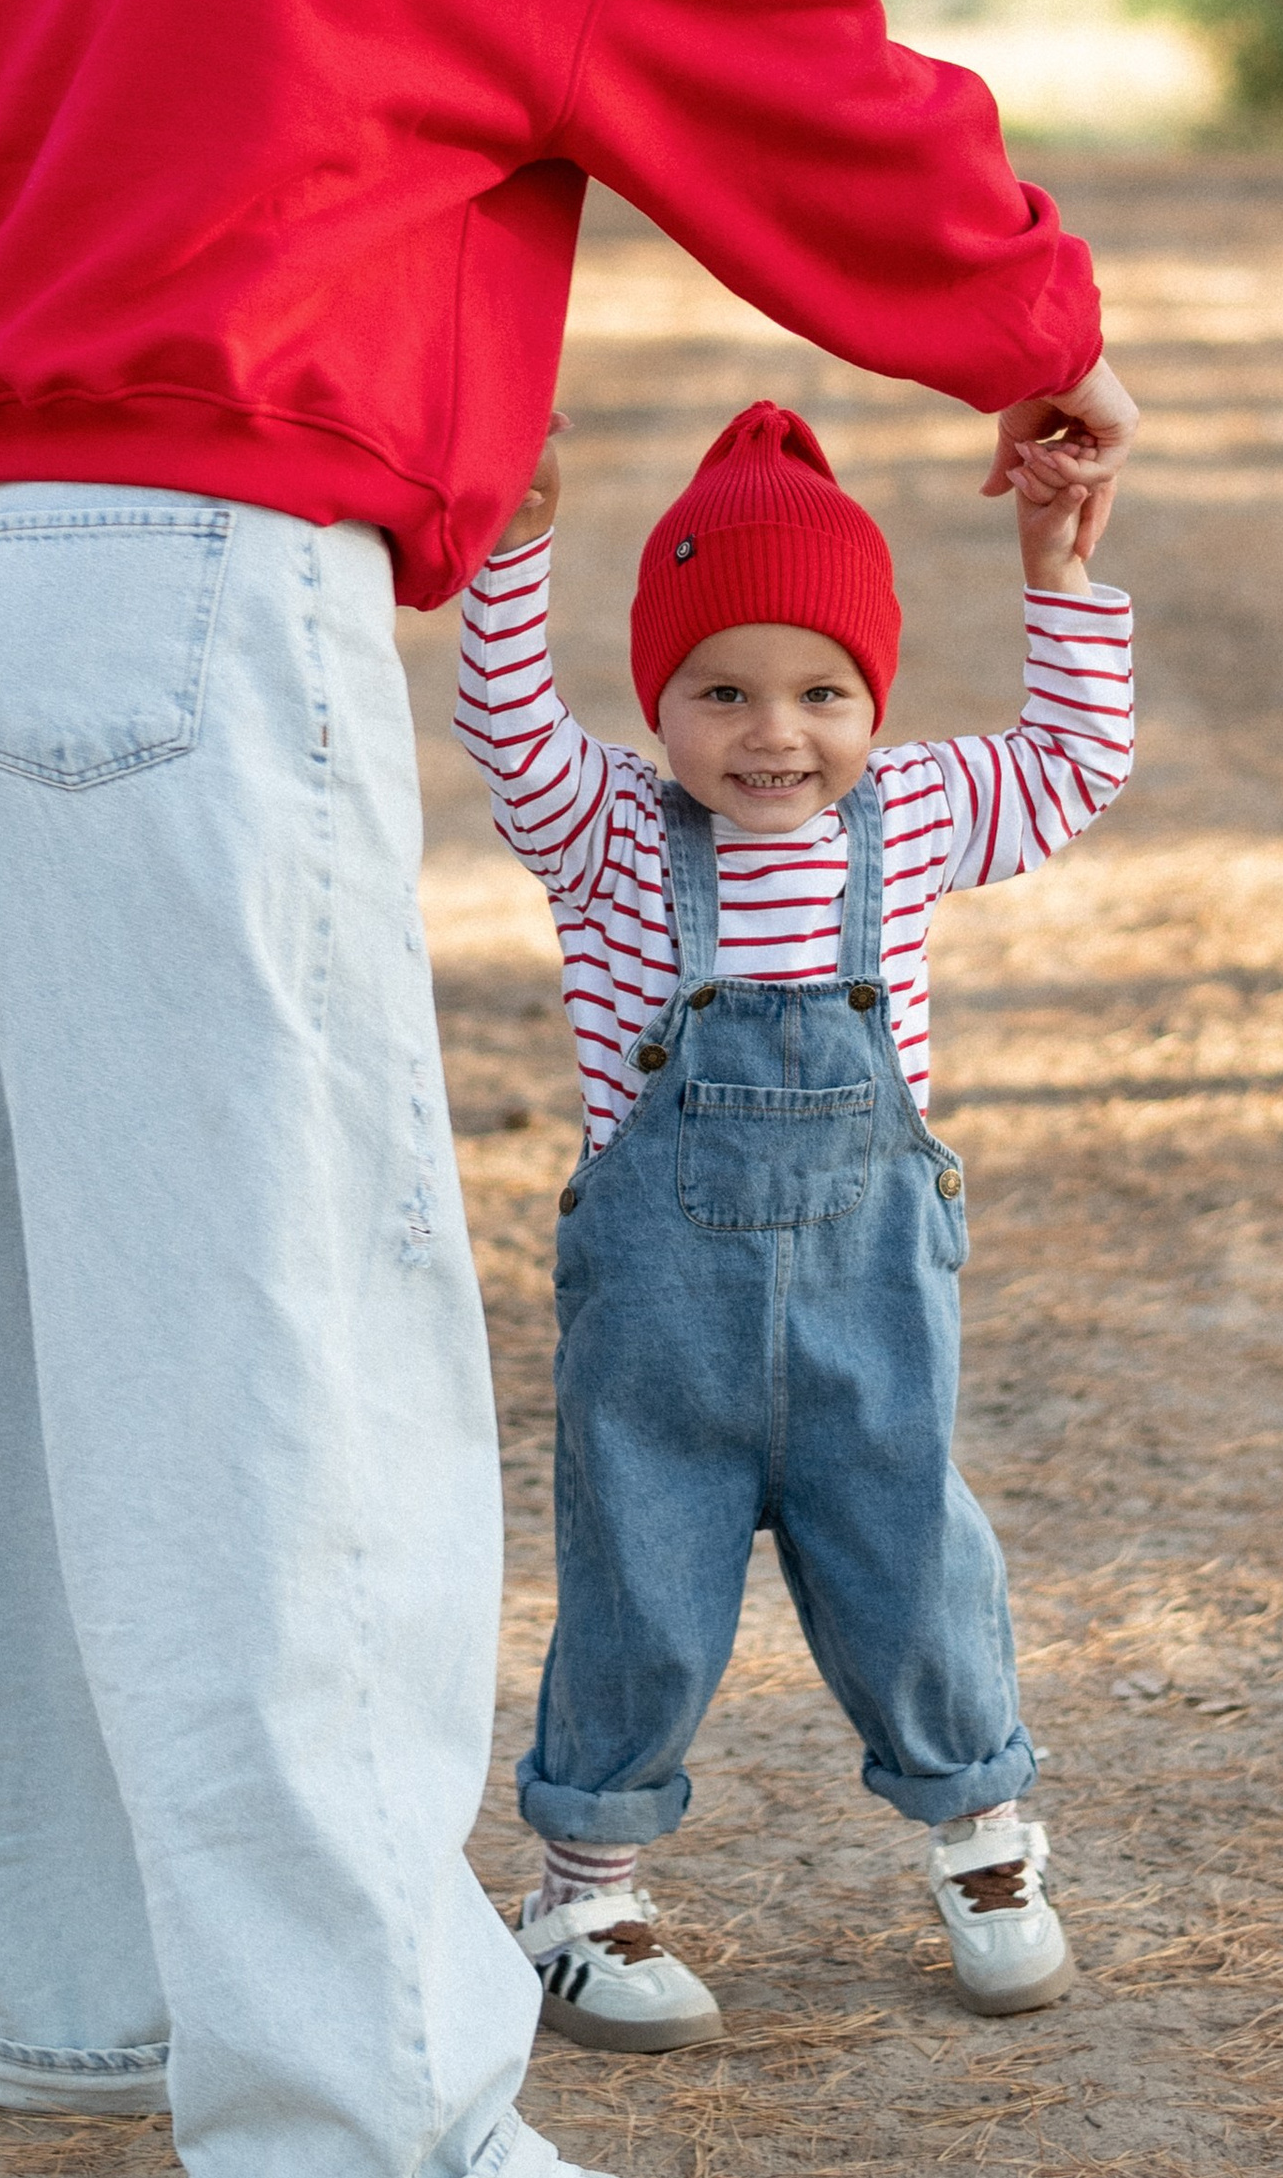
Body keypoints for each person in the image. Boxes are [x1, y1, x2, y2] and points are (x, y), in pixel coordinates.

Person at [0, 0, 1139, 2178]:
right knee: (293, 1366)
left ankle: (97, 1995)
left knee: (37, 1325)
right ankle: (355, 2136)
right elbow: (807, 90)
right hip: (207, 573)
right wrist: (1029, 319)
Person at [455, 399, 1134, 2054]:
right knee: (639, 1584)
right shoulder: (610, 833)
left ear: (874, 699)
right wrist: (513, 542)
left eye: (823, 691)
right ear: (661, 698)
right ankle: (584, 1892)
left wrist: (1055, 568)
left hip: (867, 1315)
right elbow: (507, 729)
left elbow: (1074, 764)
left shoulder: (903, 821)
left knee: (916, 1566)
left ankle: (983, 1844)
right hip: (661, 1333)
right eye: (725, 691)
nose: (775, 734)